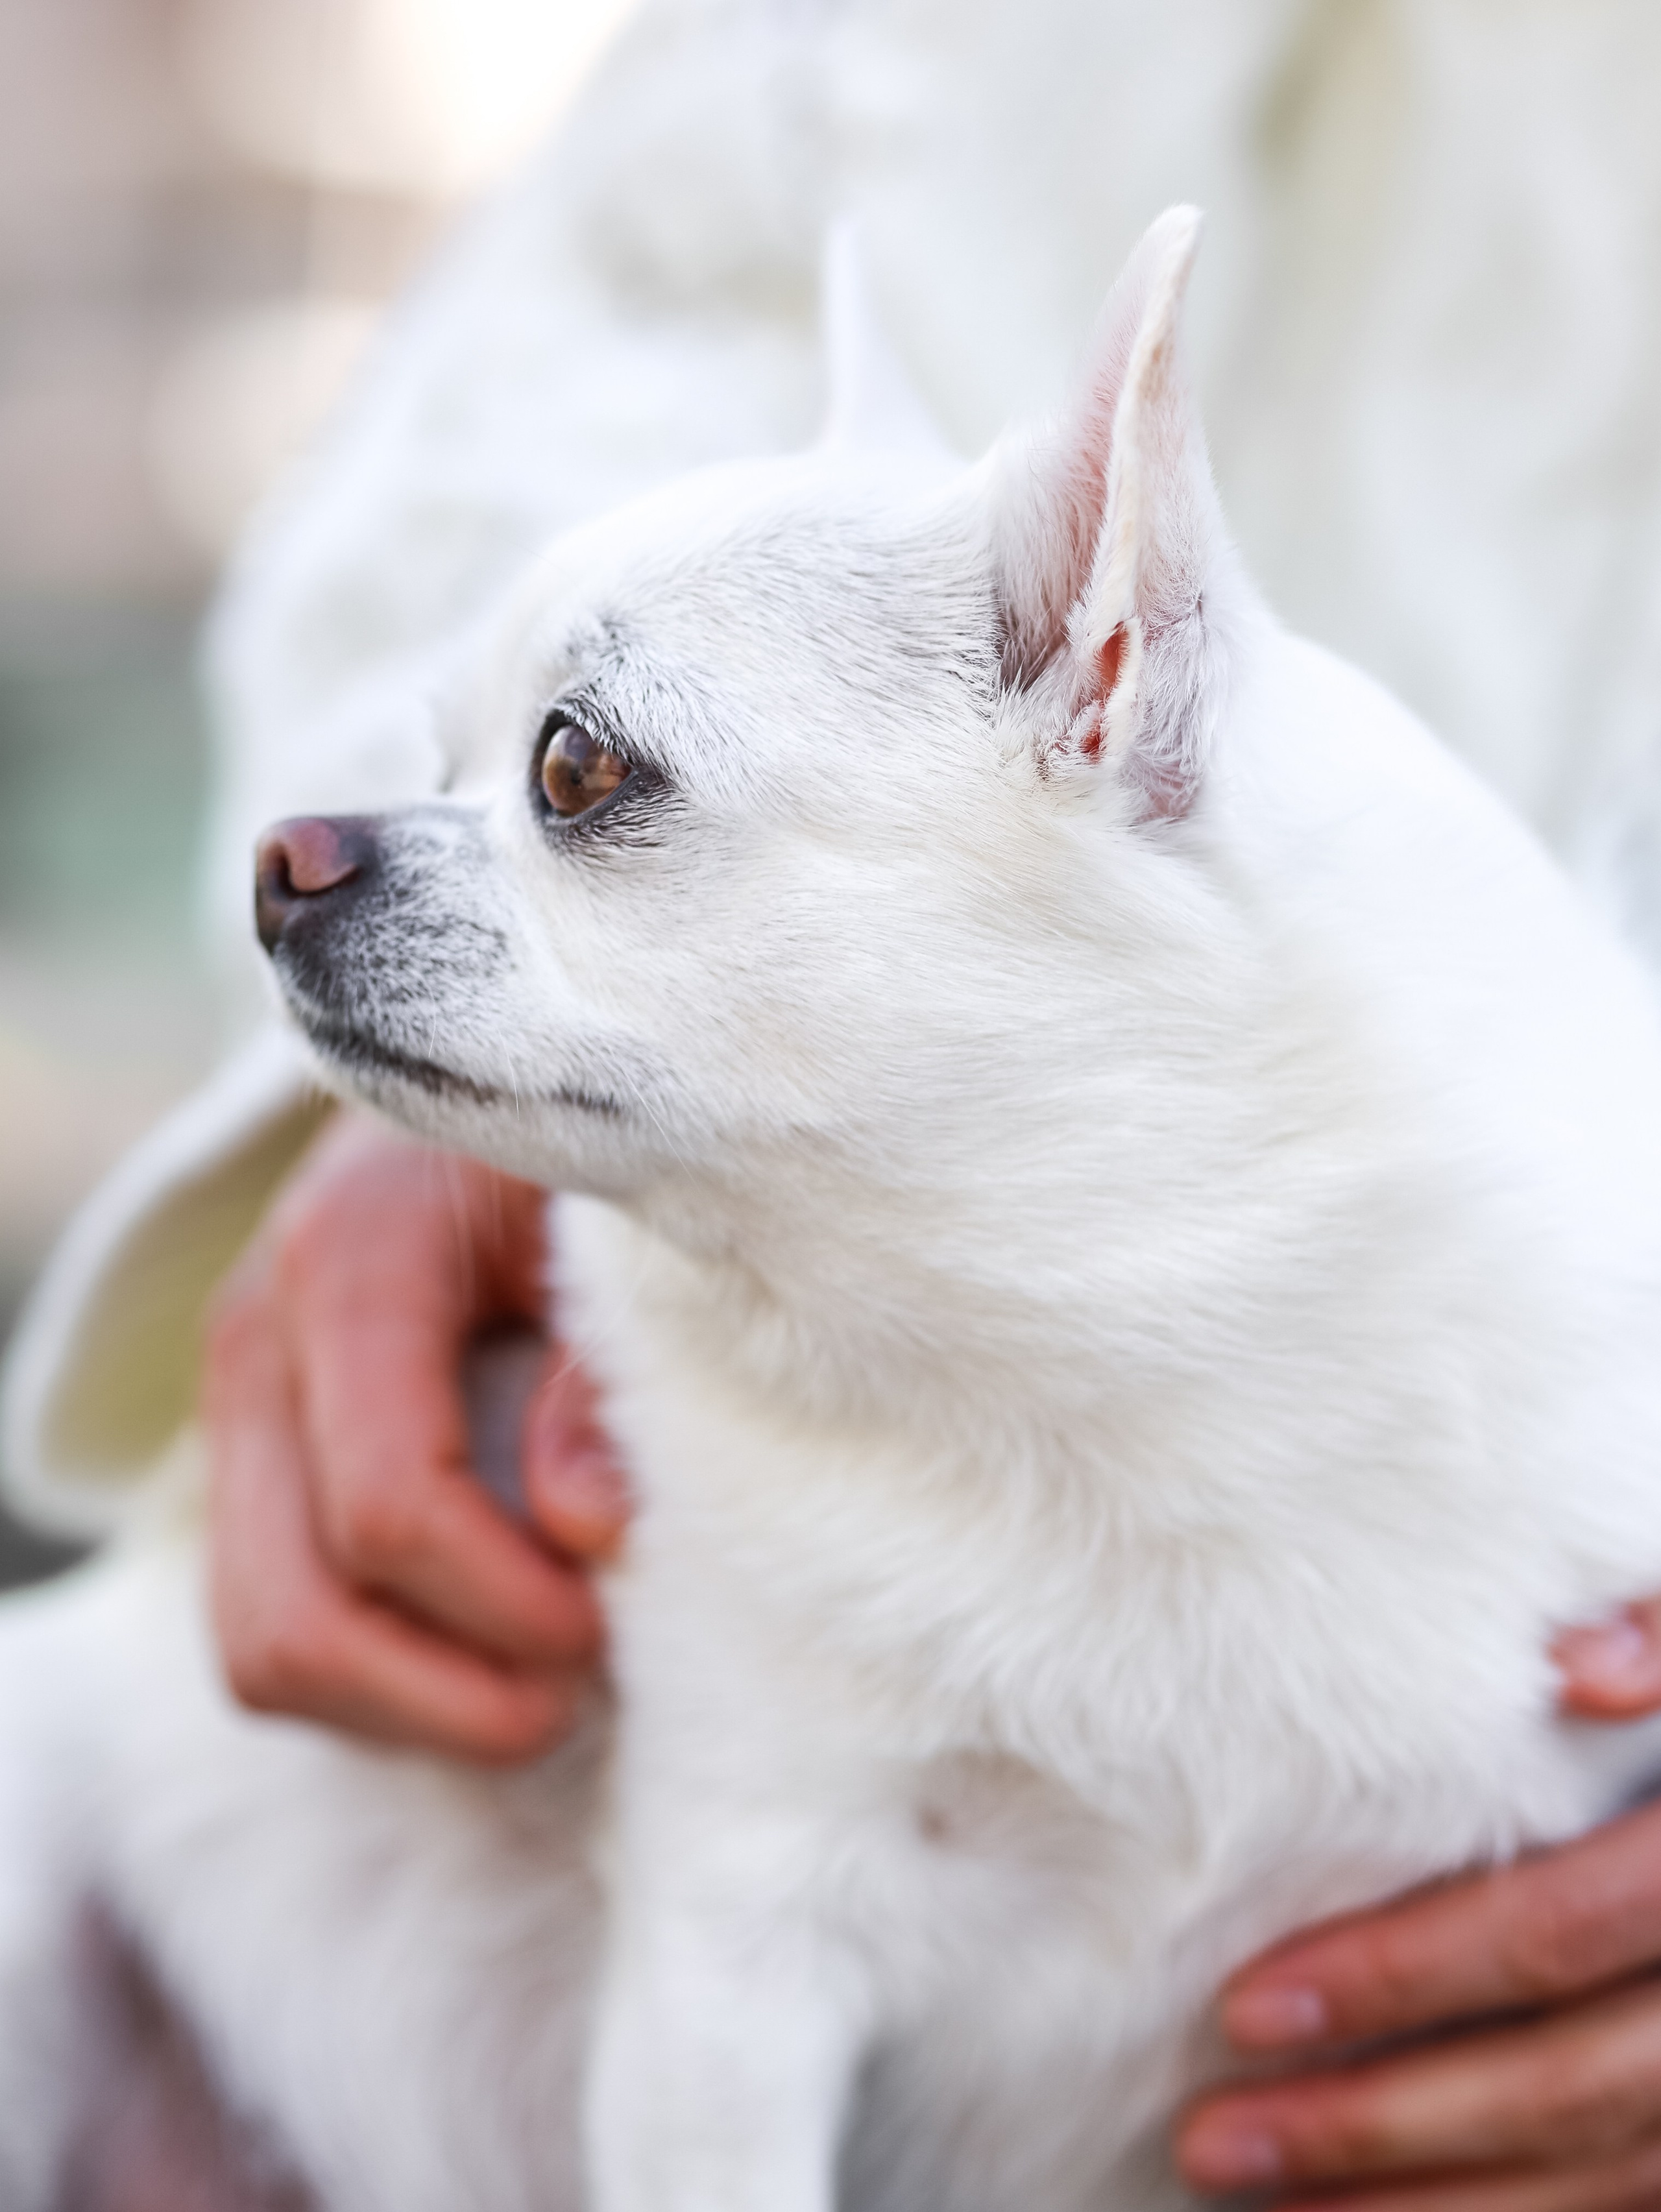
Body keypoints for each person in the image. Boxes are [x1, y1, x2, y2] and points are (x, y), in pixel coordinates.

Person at [7, 3, 1661, 2204]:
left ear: (1108, 676)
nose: (342, 858)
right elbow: (721, 212)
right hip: (154, 1903)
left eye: (592, 785)